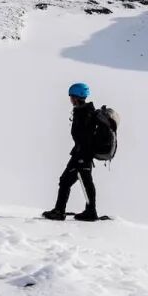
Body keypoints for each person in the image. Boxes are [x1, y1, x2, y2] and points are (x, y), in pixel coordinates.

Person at [43, 82, 99, 222]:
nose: (70, 99)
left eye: (71, 96)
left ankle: (62, 211)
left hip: (82, 155)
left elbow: (85, 137)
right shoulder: (84, 111)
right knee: (76, 181)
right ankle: (87, 211)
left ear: (77, 96)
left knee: (74, 181)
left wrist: (81, 155)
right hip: (81, 154)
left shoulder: (84, 113)